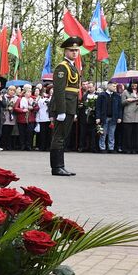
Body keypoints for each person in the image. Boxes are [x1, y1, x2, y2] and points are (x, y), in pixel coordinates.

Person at [49, 36, 80, 176]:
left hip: (70, 106)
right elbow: (59, 90)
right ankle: (56, 167)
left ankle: (61, 165)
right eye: (71, 50)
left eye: (76, 50)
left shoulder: (72, 67)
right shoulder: (62, 67)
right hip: (63, 106)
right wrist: (61, 110)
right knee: (59, 137)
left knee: (63, 137)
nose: (74, 53)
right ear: (65, 51)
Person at [95, 81, 122, 152]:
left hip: (113, 117)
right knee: (103, 133)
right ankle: (102, 148)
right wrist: (98, 117)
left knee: (111, 133)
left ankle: (111, 148)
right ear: (108, 86)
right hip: (104, 117)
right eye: (113, 86)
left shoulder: (117, 96)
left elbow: (119, 108)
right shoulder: (102, 95)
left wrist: (119, 117)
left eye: (115, 86)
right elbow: (98, 107)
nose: (115, 88)